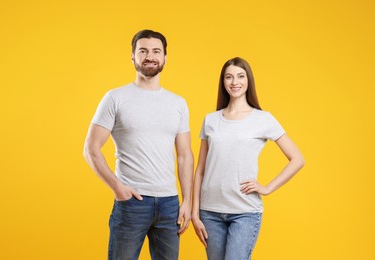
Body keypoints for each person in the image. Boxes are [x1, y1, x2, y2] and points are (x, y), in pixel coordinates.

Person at [83, 29, 194, 260]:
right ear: (133, 56)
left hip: (169, 205)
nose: (149, 56)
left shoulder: (178, 103)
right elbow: (91, 149)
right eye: (143, 51)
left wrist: (187, 201)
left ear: (165, 57)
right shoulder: (115, 98)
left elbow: (184, 155)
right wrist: (117, 187)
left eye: (156, 51)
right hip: (132, 203)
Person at [191, 57, 305, 260]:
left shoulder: (263, 119)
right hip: (209, 212)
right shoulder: (211, 120)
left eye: (240, 76)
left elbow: (297, 159)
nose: (235, 82)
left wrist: (267, 188)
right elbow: (200, 169)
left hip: (244, 212)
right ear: (223, 82)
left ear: (248, 80)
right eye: (229, 77)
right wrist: (194, 212)